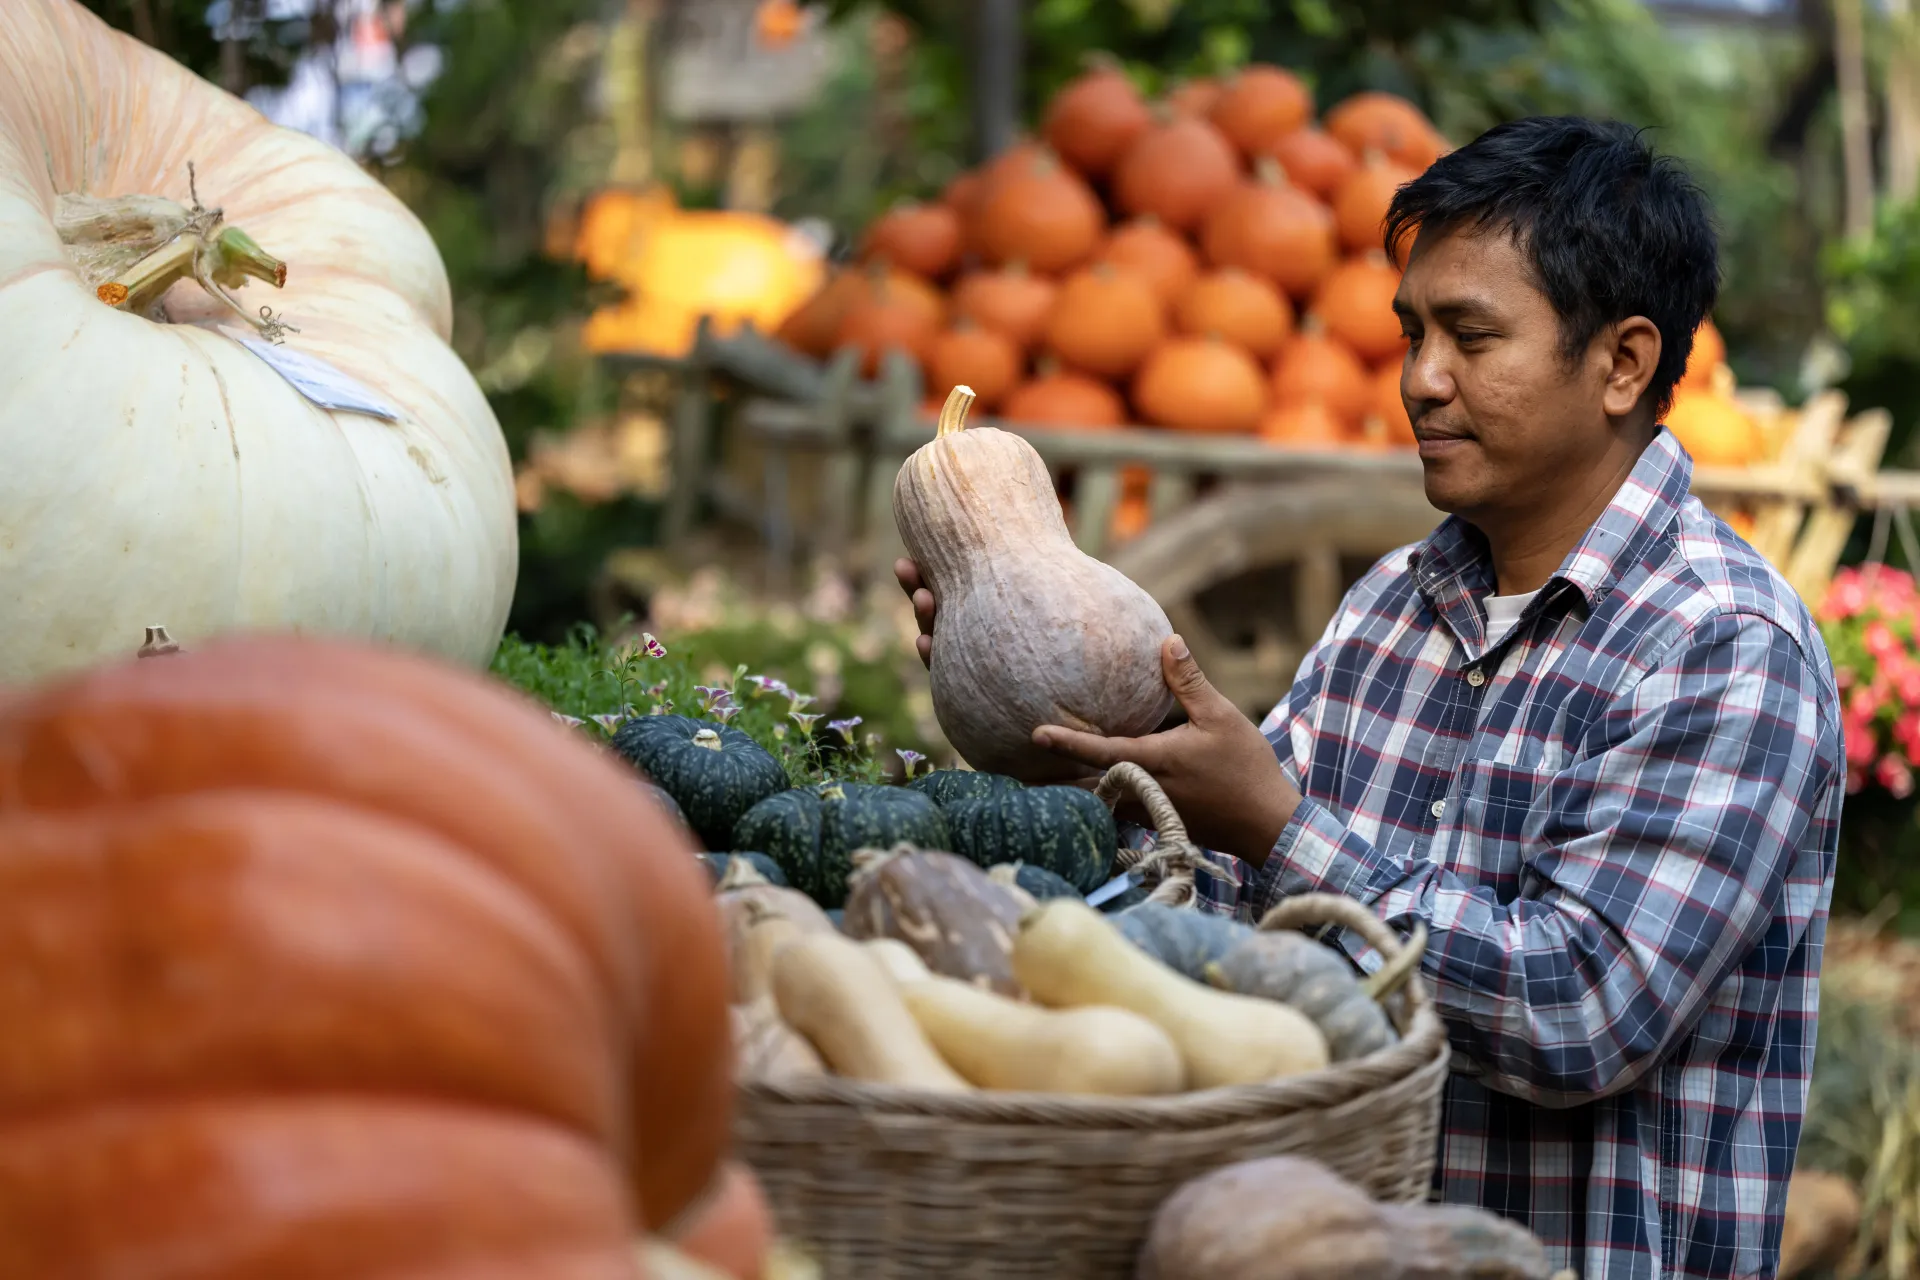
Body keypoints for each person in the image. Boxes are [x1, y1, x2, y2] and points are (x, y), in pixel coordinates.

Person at [896, 116, 1841, 1280]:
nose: (1421, 379)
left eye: (1470, 336)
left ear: (1623, 364)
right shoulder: (1396, 598)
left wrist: (1282, 824)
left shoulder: (1724, 646)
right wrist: (1046, 711)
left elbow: (1580, 1011)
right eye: (1410, 331)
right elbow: (1225, 900)